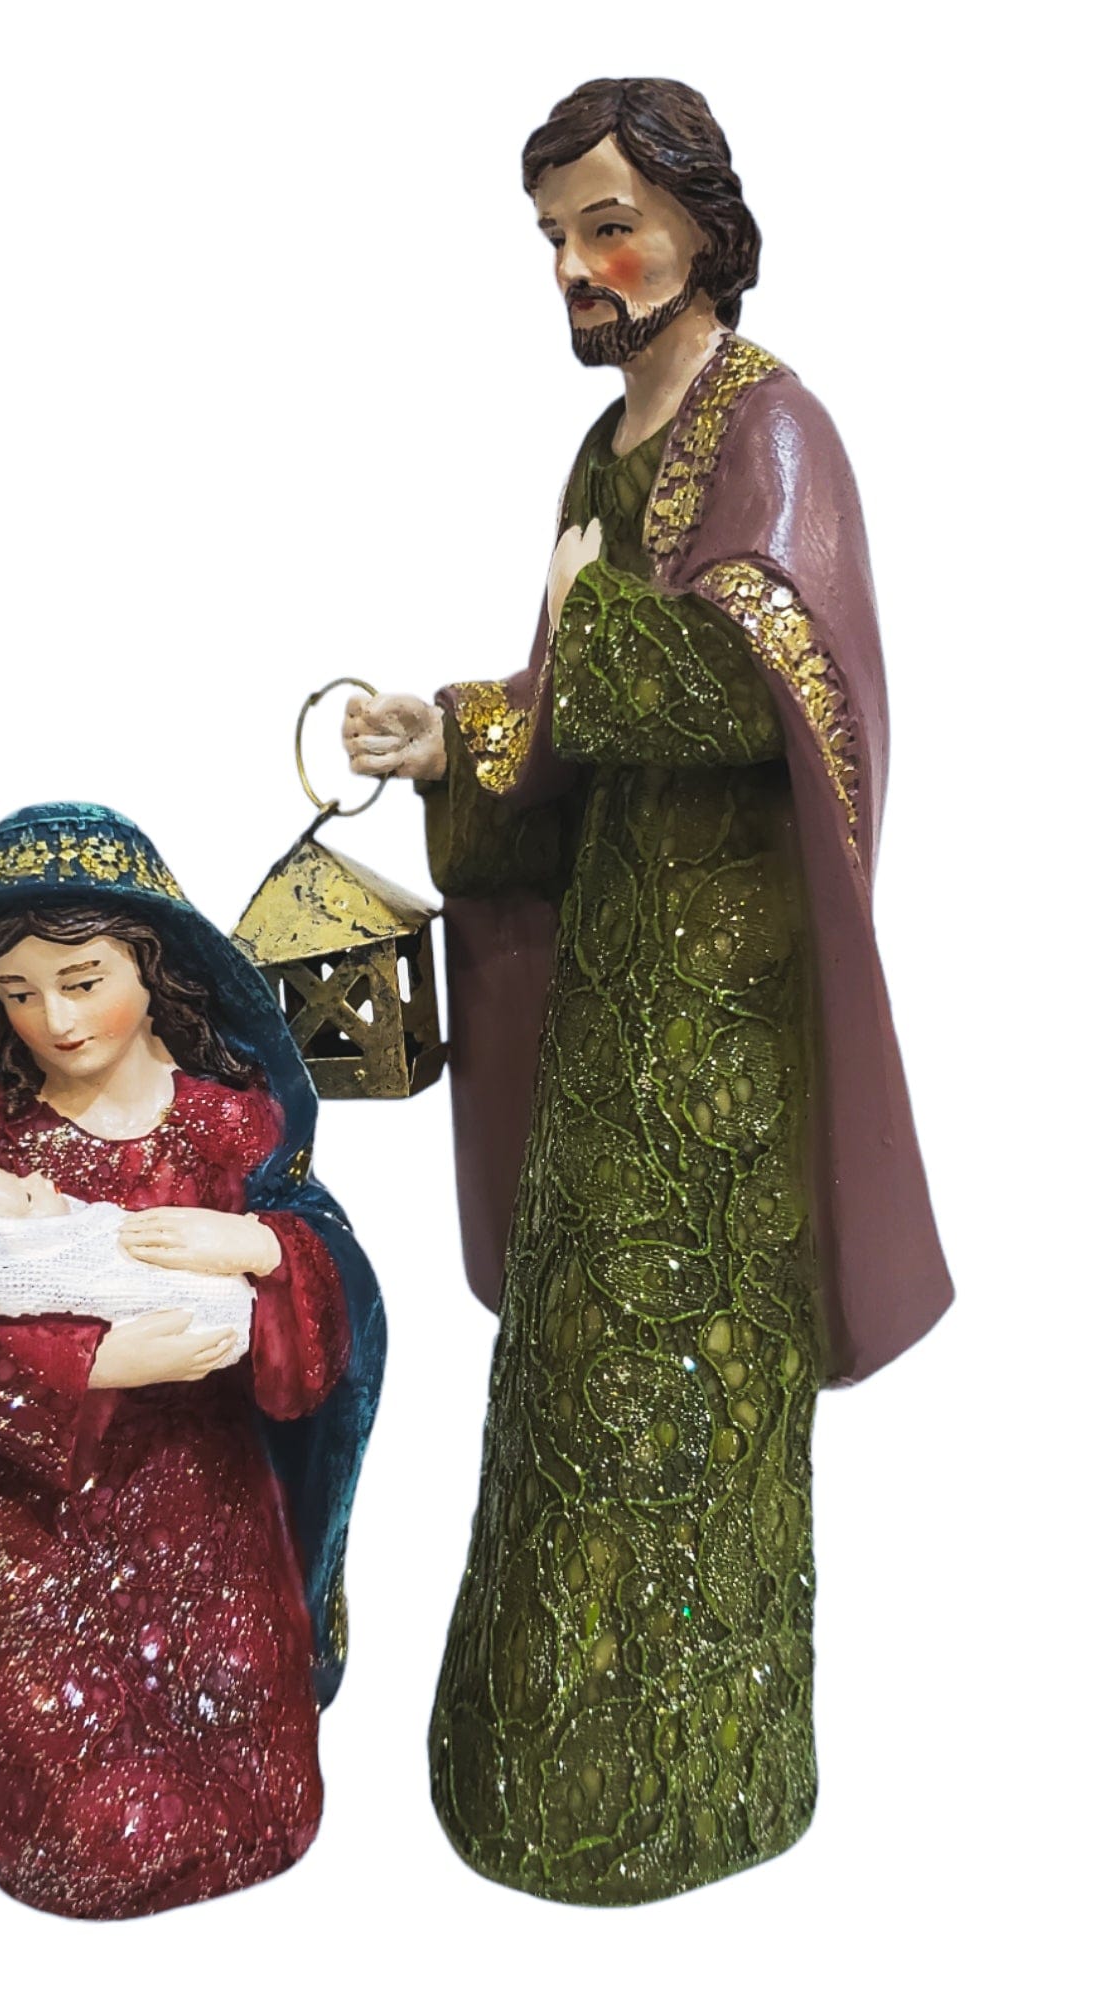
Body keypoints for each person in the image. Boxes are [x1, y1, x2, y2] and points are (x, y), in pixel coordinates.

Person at [345, 77, 951, 1905]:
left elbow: (777, 689)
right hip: (610, 985)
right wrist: (453, 731)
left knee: (695, 1380)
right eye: (554, 237)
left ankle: (711, 1779)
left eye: (607, 227)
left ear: (702, 227)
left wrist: (591, 623)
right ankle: (538, 1765)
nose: (577, 268)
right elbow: (566, 706)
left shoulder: (775, 430)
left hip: (727, 1024)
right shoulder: (604, 455)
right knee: (572, 1360)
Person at [0, 802, 384, 1918]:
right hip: (31, 1533)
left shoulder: (234, 1127)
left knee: (256, 1782)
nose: (53, 1018)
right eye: (17, 992)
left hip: (204, 1511)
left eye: (82, 978)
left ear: (155, 966)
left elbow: (340, 1295)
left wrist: (259, 1246)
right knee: (88, 1827)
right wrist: (94, 1361)